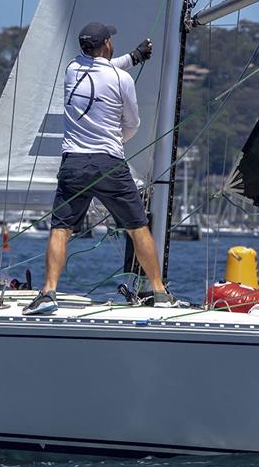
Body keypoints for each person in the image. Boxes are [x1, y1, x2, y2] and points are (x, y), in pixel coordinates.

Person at [23, 22, 174, 315]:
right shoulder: (122, 80)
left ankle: (48, 292)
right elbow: (132, 123)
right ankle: (159, 291)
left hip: (74, 163)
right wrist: (116, 139)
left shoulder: (71, 70)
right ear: (106, 43)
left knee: (61, 229)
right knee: (137, 227)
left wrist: (134, 57)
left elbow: (103, 68)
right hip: (108, 162)